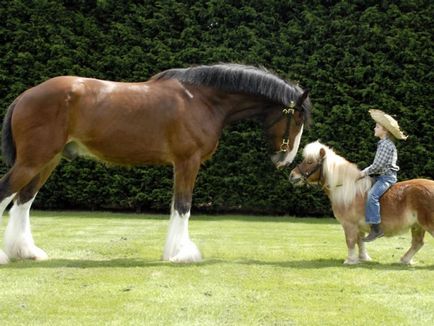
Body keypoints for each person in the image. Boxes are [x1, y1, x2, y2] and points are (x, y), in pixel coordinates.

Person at [360, 109, 407, 242]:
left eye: (377, 126)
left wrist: (363, 173)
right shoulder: (383, 144)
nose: (374, 128)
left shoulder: (385, 145)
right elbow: (376, 165)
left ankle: (376, 229)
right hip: (381, 176)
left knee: (372, 196)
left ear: (385, 130)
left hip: (386, 177)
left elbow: (377, 166)